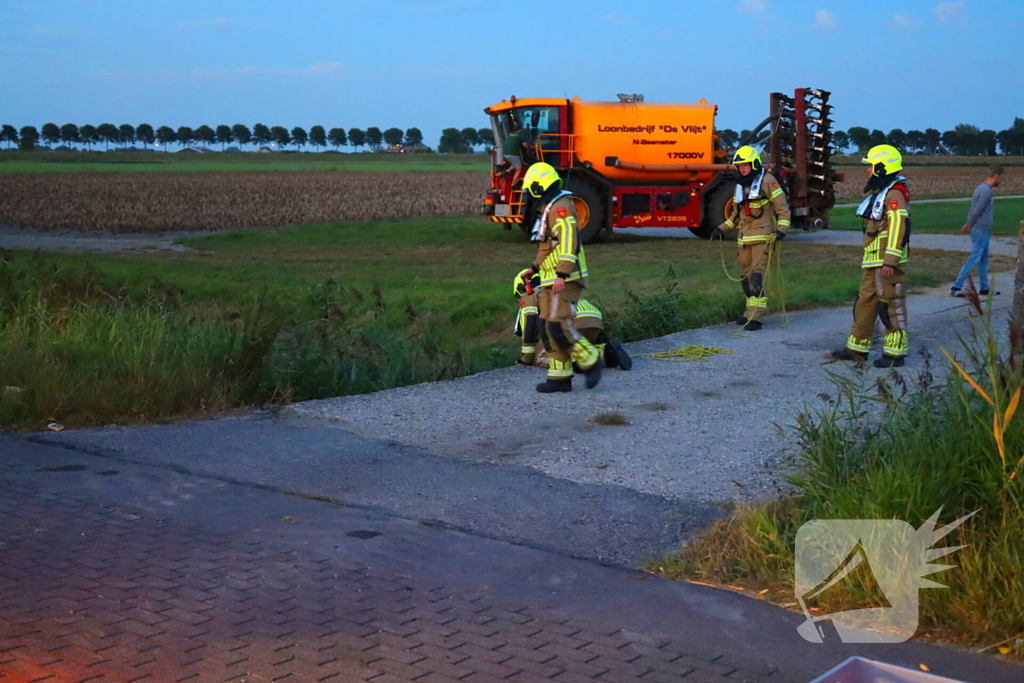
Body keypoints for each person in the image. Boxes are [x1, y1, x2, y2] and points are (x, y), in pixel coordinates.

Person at [519, 163, 602, 393]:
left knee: (558, 325)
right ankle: (560, 377)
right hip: (549, 279)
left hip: (564, 278)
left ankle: (591, 358)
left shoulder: (561, 207)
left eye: (532, 189)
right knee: (547, 327)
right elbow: (547, 246)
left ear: (540, 185)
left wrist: (562, 274)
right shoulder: (549, 209)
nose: (530, 195)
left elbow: (569, 242)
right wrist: (534, 268)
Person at [829, 145, 911, 368]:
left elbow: (898, 226)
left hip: (885, 262)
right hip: (873, 260)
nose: (868, 171)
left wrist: (890, 260)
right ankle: (857, 348)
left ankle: (895, 353)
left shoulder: (894, 193)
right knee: (865, 302)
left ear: (883, 168)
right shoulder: (881, 192)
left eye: (871, 166)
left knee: (890, 305)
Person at [717, 145, 791, 330]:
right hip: (744, 239)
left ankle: (756, 317)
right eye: (740, 166)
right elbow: (735, 214)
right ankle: (748, 312)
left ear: (755, 164)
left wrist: (781, 230)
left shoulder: (767, 181)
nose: (742, 168)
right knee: (745, 278)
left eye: (746, 165)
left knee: (757, 278)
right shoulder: (740, 186)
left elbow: (783, 209)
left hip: (762, 238)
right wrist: (721, 229)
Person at [513, 270, 631, 370]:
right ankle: (603, 351)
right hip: (594, 321)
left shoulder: (530, 295)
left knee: (539, 358)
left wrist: (526, 359)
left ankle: (574, 360)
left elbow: (530, 324)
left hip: (569, 325)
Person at [952, 165, 1004, 297]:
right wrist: (969, 224)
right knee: (974, 258)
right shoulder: (985, 191)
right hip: (980, 229)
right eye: (1001, 177)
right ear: (996, 176)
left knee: (984, 259)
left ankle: (984, 287)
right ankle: (956, 286)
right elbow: (977, 210)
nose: (1001, 181)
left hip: (984, 229)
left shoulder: (983, 189)